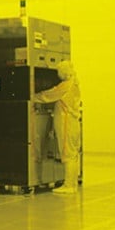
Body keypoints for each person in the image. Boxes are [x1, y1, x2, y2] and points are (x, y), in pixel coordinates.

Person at [33, 60, 81, 194]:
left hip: (66, 123)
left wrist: (31, 96)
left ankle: (68, 185)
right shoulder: (75, 83)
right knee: (73, 154)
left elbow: (50, 95)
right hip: (73, 122)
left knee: (67, 154)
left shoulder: (66, 85)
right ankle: (72, 184)